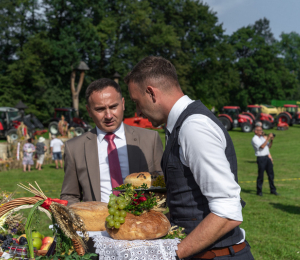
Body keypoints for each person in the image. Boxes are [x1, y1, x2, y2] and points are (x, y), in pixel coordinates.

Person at [125, 56, 253, 260]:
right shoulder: (179, 125)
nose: (138, 111)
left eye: (136, 102)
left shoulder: (193, 127)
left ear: (151, 93)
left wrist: (172, 255)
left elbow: (228, 211)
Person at [60, 78, 163, 205]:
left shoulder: (150, 139)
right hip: (96, 223)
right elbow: (70, 195)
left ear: (123, 104)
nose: (108, 116)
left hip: (142, 222)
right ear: (89, 111)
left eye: (114, 107)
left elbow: (163, 186)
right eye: (100, 109)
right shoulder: (75, 148)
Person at [251, 126, 278, 196]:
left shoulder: (262, 138)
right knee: (261, 175)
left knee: (271, 175)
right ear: (255, 131)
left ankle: (273, 190)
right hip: (261, 158)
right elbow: (262, 146)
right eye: (259, 130)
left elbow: (269, 146)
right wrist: (268, 138)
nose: (261, 131)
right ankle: (259, 191)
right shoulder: (255, 139)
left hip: (267, 157)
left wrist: (271, 140)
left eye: (261, 130)